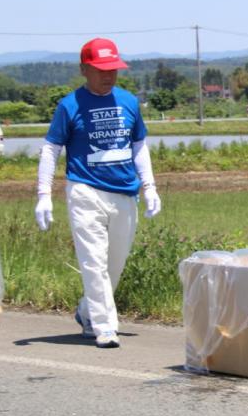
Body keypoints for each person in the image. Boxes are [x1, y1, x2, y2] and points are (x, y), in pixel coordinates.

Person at [34, 38, 161, 348]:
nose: (109, 76)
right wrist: (43, 194)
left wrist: (150, 186)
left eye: (113, 70)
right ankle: (105, 327)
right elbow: (51, 149)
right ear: (84, 69)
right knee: (94, 262)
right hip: (84, 190)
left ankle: (87, 311)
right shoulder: (70, 105)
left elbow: (138, 146)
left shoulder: (129, 102)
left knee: (114, 265)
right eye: (101, 70)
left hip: (124, 193)